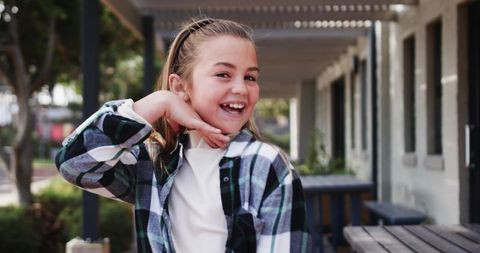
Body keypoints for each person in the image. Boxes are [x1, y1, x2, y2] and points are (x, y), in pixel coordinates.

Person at [56, 18, 311, 253]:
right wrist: (159, 102)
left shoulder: (266, 165)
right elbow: (74, 163)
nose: (241, 88)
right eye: (223, 74)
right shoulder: (153, 163)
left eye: (250, 77)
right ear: (180, 86)